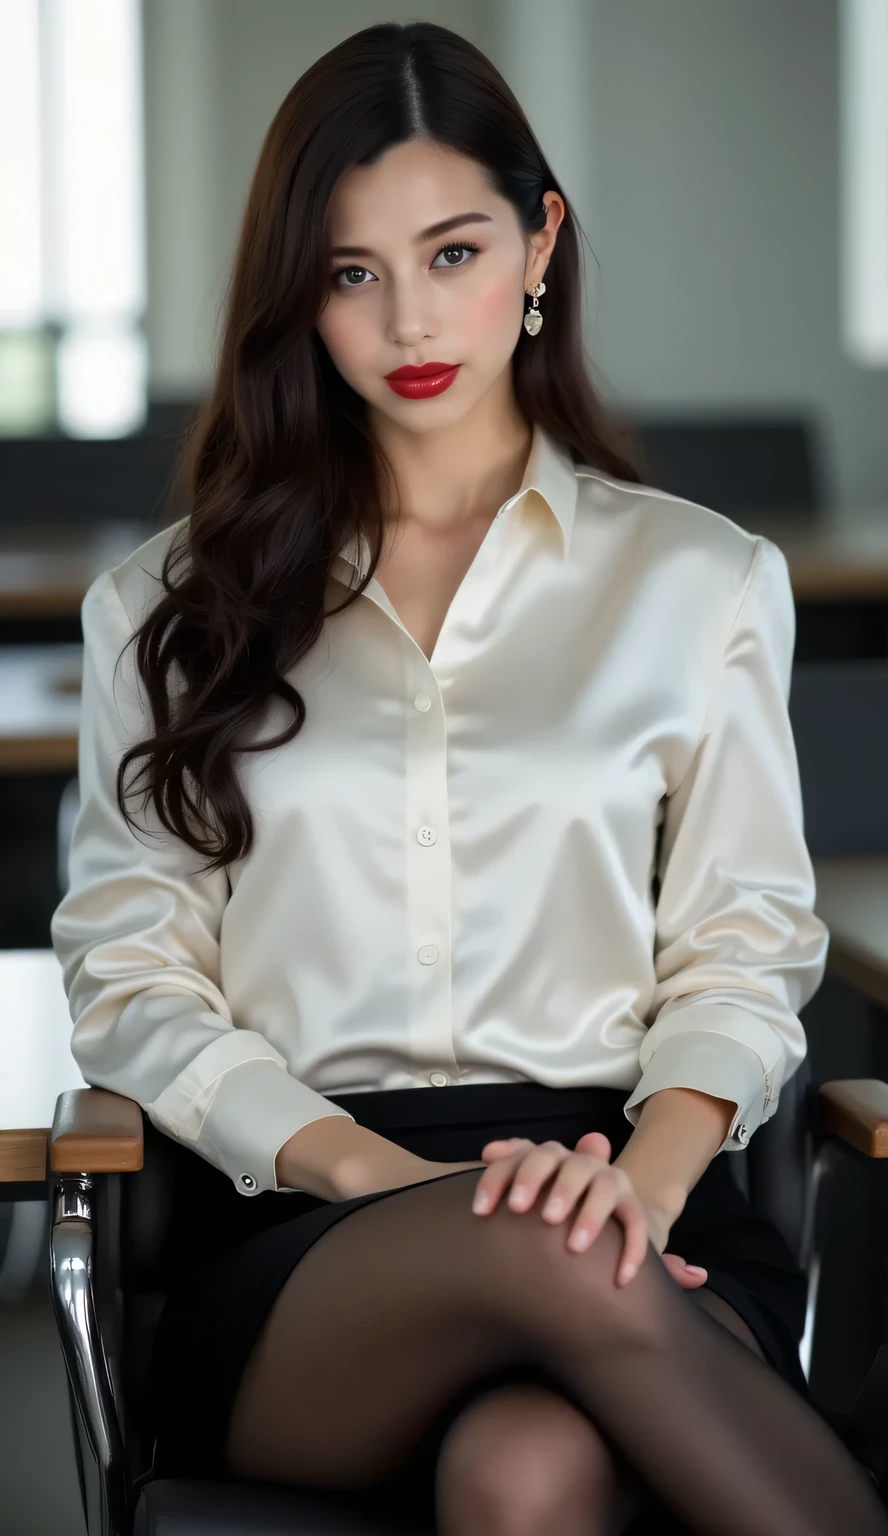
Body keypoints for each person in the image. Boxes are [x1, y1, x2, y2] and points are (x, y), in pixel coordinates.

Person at [49, 19, 888, 1536]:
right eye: (352, 271)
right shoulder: (166, 610)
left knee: (526, 1472)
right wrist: (373, 1175)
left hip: (639, 1193)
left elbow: (745, 946)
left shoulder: (702, 581)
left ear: (541, 238)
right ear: (298, 292)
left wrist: (635, 1184)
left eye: (453, 252)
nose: (408, 318)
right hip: (307, 1240)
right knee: (534, 1246)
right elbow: (129, 974)